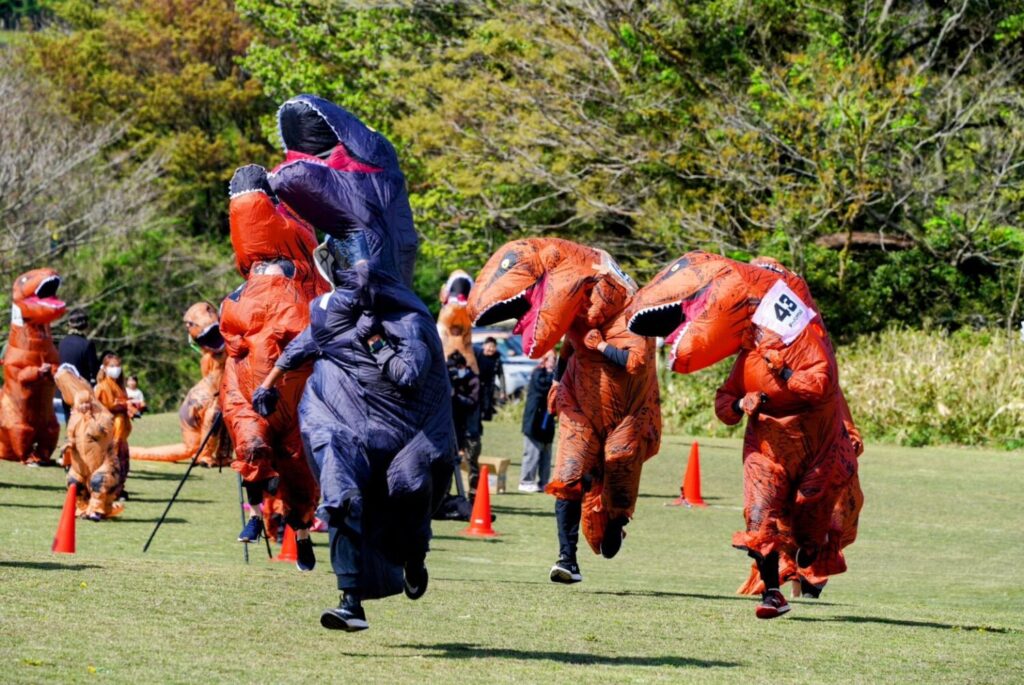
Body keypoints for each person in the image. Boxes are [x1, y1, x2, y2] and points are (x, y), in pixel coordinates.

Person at [255, 234, 456, 632]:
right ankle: (350, 600)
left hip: (408, 436)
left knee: (408, 494)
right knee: (341, 491)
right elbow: (302, 345)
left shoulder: (409, 324)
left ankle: (414, 560)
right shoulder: (336, 318)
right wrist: (268, 384)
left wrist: (377, 342)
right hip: (352, 428)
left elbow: (410, 375)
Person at [94, 352, 132, 499]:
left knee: (123, 461)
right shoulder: (102, 387)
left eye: (118, 366)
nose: (116, 369)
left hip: (121, 432)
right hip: (111, 430)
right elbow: (102, 407)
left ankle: (119, 489)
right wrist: (123, 405)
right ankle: (110, 490)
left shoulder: (120, 386)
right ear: (104, 367)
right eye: (112, 366)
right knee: (112, 461)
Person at [519, 351, 556, 492]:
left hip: (548, 421)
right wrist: (552, 375)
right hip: (535, 420)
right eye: (550, 359)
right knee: (532, 452)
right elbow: (544, 388)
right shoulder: (538, 374)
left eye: (554, 359)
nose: (552, 362)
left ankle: (544, 482)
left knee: (546, 454)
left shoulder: (555, 375)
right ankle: (526, 481)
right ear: (544, 360)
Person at [447, 350, 482, 497]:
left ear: (462, 367)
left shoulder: (473, 380)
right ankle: (445, 495)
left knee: (471, 463)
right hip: (453, 429)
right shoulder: (450, 378)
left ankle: (474, 496)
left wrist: (455, 396)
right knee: (447, 463)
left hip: (470, 429)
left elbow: (472, 402)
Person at [58, 308, 99, 422]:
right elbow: (94, 371)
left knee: (70, 423)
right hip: (82, 392)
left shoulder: (62, 343)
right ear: (86, 325)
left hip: (64, 389)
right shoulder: (87, 344)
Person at [477, 336, 504, 421]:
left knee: (487, 408)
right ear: (484, 346)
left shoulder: (497, 359)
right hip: (476, 386)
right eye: (489, 346)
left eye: (493, 347)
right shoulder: (478, 355)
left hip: (489, 387)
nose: (491, 349)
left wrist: (503, 391)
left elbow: (501, 375)